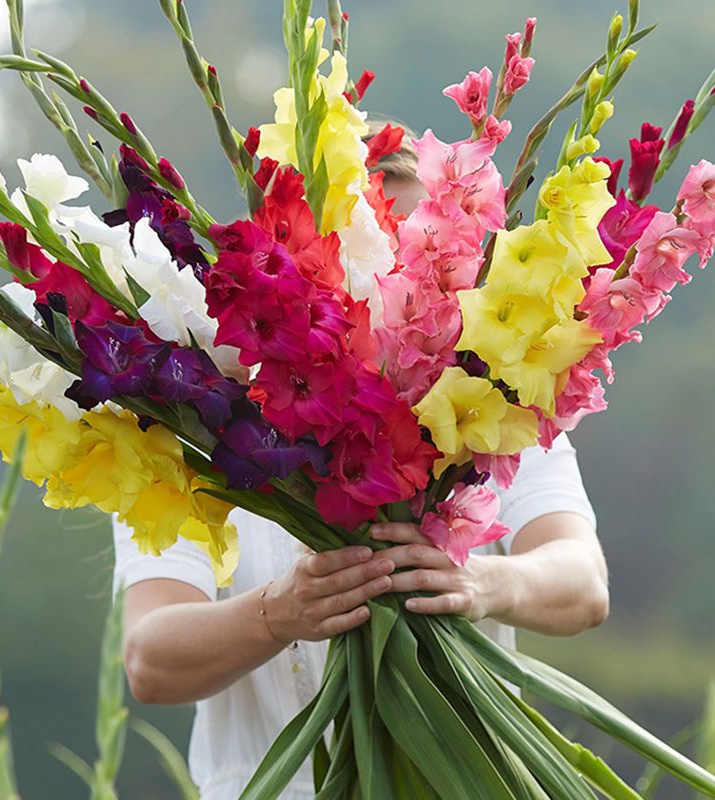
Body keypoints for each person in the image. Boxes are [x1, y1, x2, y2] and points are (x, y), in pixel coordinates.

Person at [113, 120, 609, 800]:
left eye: (422, 260)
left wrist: (479, 587)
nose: (400, 290)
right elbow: (150, 660)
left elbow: (582, 583)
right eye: (367, 261)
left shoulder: (495, 399)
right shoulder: (197, 426)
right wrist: (278, 614)